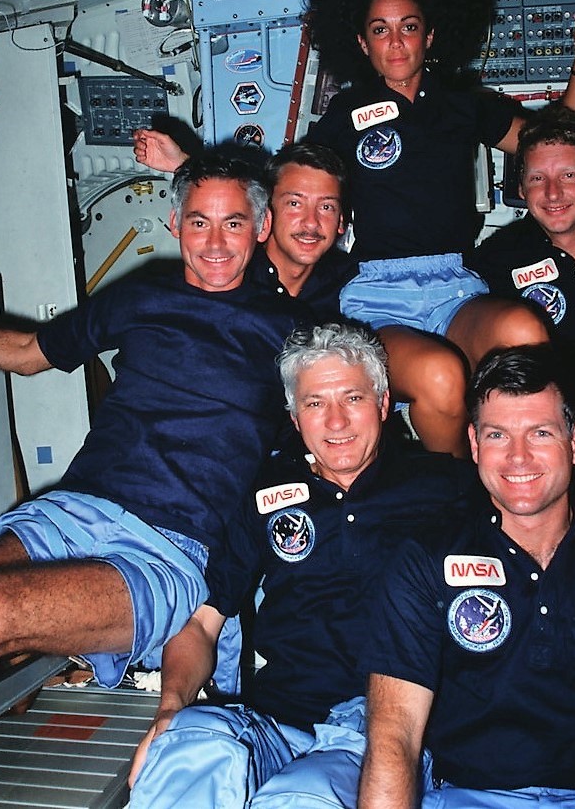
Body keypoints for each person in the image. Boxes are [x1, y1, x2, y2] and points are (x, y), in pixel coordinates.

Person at [0, 149, 299, 694]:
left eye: (233, 223)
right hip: (74, 509)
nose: (215, 243)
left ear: (261, 228)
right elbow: (30, 352)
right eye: (199, 222)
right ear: (175, 224)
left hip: (170, 546)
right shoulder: (144, 294)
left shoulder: (290, 331)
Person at [127, 322, 476, 809]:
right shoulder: (265, 493)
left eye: (352, 398)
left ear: (382, 403)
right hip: (274, 722)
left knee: (302, 796)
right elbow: (203, 624)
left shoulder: (447, 486)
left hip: (384, 730)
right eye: (315, 403)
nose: (335, 422)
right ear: (294, 417)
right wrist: (170, 709)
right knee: (187, 751)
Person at [304, 0, 575, 458]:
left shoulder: (462, 106)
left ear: (430, 36)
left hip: (455, 285)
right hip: (379, 294)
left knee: (522, 330)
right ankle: (461, 503)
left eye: (409, 28)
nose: (396, 42)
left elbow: (553, 146)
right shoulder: (345, 117)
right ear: (362, 44)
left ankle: (528, 466)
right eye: (380, 30)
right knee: (442, 377)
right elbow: (291, 184)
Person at [358, 344, 575, 809]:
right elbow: (394, 736)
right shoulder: (427, 558)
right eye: (498, 435)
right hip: (471, 798)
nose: (518, 458)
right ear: (475, 445)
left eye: (540, 433)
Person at [472, 103, 575, 483]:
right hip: (542, 478)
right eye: (538, 179)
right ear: (522, 189)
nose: (552, 192)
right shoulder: (493, 267)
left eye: (568, 175)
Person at [133, 133, 357, 320]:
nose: (311, 222)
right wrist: (184, 165)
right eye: (294, 203)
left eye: (326, 207)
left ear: (341, 221)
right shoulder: (227, 269)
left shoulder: (354, 283)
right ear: (265, 215)